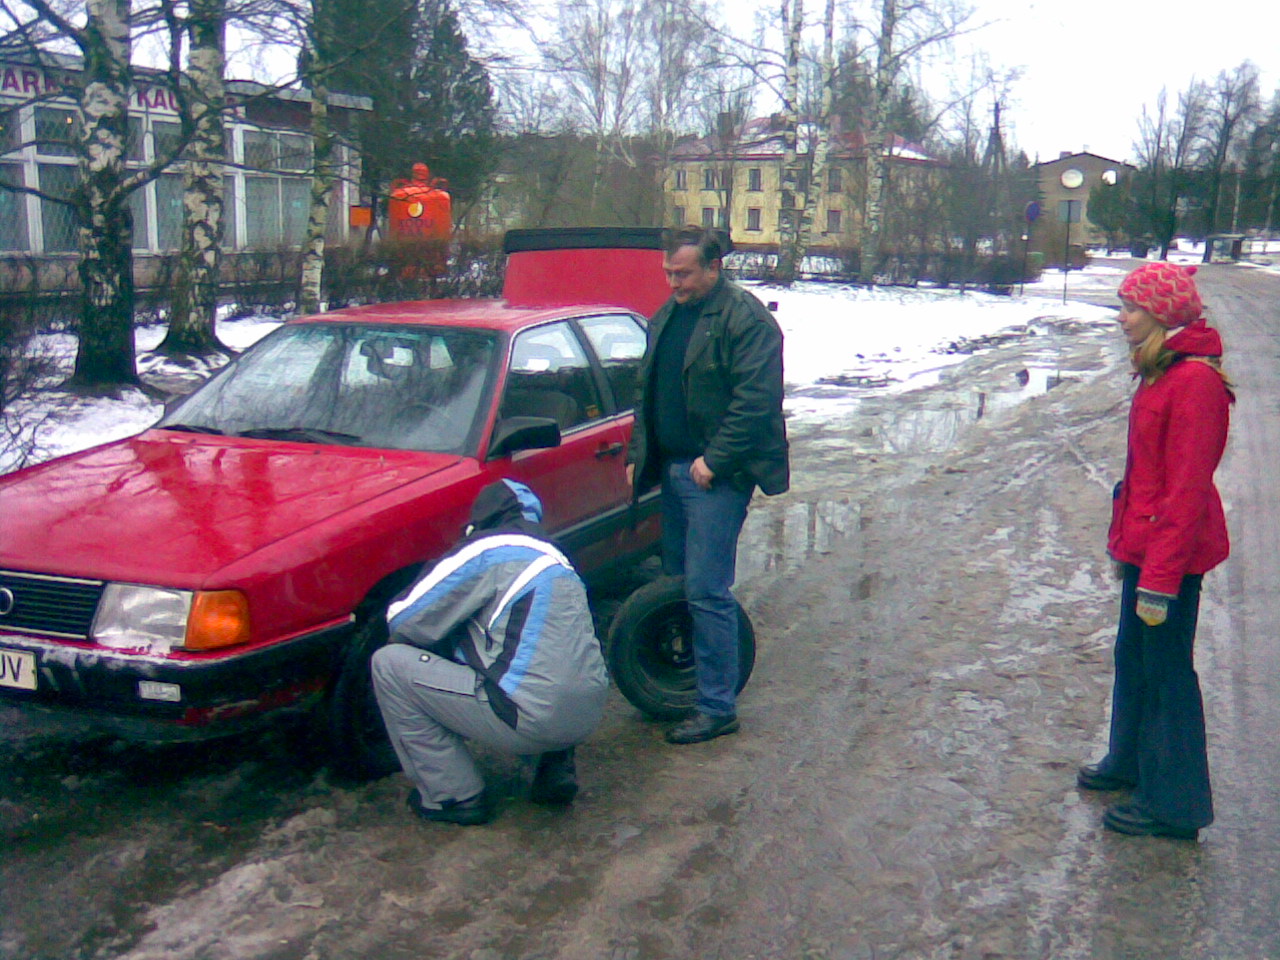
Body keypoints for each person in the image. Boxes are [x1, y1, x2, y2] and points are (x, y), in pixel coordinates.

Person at [1077, 262, 1233, 840]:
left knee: (1167, 672)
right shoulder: (1160, 369)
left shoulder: (1194, 382)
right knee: (1135, 659)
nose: (1122, 318)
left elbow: (1186, 490)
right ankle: (1131, 763)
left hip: (1171, 555)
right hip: (1146, 544)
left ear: (1162, 314)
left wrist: (1160, 578)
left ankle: (1176, 805)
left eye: (1131, 307)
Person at [626, 226, 789, 745]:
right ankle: (680, 686)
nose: (674, 282)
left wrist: (715, 461)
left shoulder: (746, 320)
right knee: (676, 583)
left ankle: (718, 707)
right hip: (672, 471)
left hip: (715, 477)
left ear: (714, 268)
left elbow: (756, 402)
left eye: (684, 273)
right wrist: (639, 455)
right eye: (669, 273)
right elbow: (645, 392)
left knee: (705, 590)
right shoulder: (669, 315)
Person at [371, 479, 608, 825]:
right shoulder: (558, 557)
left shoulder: (488, 548)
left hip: (530, 717)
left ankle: (453, 796)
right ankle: (553, 766)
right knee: (538, 651)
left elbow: (403, 620)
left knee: (388, 664)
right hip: (588, 712)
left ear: (482, 519)